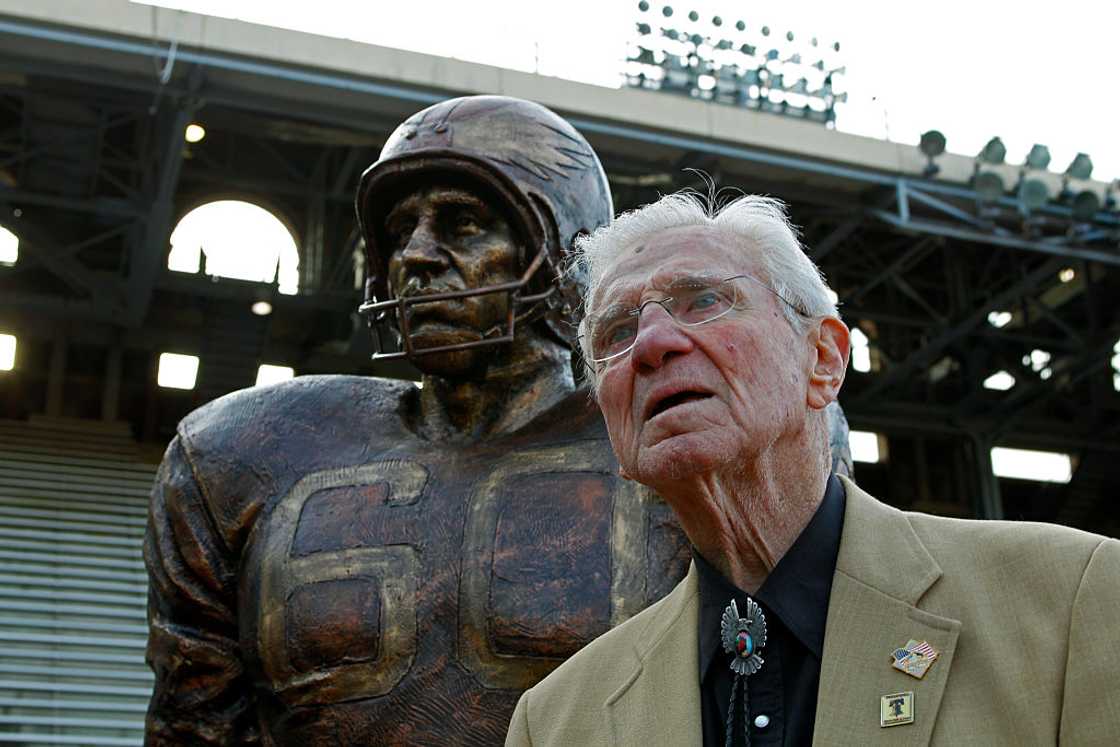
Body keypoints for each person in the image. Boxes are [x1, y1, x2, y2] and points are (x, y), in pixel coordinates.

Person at [142, 96, 696, 745]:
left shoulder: (677, 441)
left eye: (463, 224)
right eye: (401, 230)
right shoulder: (238, 456)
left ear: (562, 257)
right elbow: (193, 727)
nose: (417, 255)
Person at [506, 192, 1120, 746]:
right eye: (617, 330)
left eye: (705, 300)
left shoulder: (1071, 600)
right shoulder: (557, 721)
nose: (651, 344)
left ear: (823, 357)